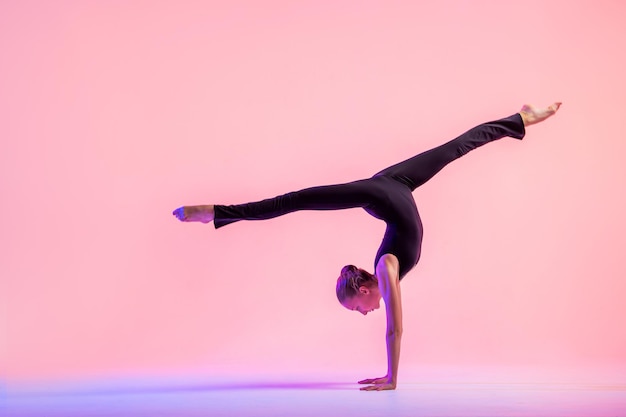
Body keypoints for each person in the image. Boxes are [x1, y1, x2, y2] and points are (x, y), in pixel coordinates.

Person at [173, 103, 562, 391]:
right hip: (398, 183)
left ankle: (214, 212)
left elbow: (395, 328)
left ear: (363, 290)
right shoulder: (383, 265)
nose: (363, 313)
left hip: (382, 193)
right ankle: (521, 118)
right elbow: (391, 323)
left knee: (295, 200)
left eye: (356, 308)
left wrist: (392, 377)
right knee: (455, 147)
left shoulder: (385, 269)